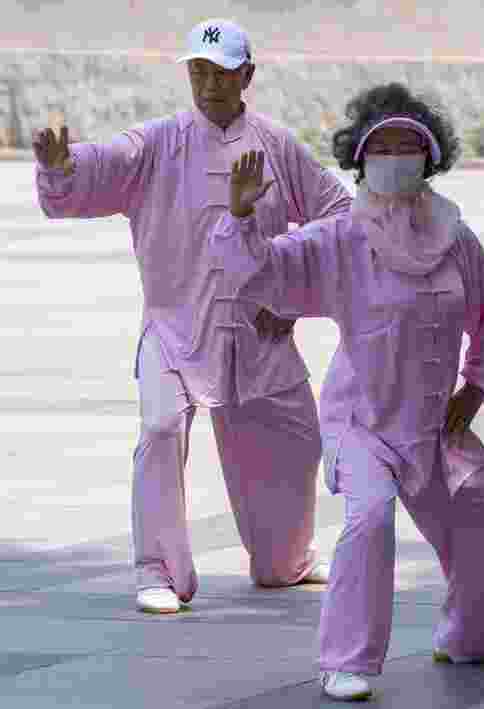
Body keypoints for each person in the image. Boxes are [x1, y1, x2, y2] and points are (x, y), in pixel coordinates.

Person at [211, 83, 484, 702]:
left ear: (430, 157)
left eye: (407, 146)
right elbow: (263, 272)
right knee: (371, 516)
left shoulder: (454, 236)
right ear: (360, 158)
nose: (394, 156)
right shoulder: (342, 236)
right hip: (363, 422)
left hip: (436, 425)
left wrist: (481, 383)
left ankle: (472, 638)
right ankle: (345, 660)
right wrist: (242, 217)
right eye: (380, 146)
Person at [32, 18, 351, 614]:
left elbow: (341, 216)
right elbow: (93, 169)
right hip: (176, 328)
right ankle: (158, 570)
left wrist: (294, 293)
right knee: (159, 429)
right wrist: (59, 167)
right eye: (198, 72)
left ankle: (287, 560)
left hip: (258, 331)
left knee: (296, 439)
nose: (208, 84)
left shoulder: (277, 144)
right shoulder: (156, 142)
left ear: (247, 75)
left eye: (222, 72)